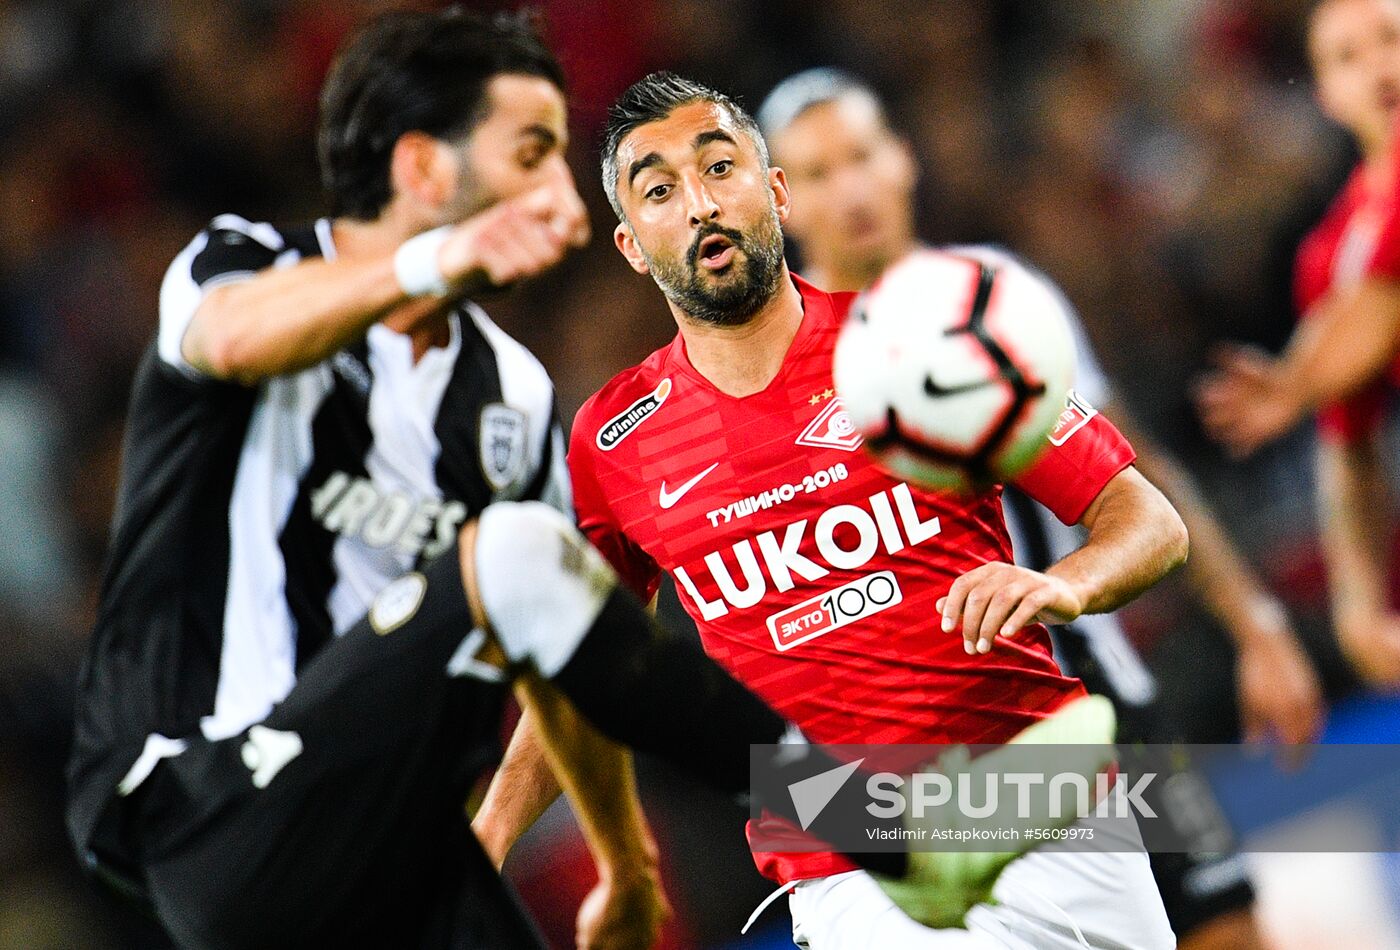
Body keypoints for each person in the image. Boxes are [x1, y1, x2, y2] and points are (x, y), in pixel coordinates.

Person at [64, 13, 971, 949]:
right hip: (198, 802)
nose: (562, 195)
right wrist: (434, 262)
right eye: (532, 154)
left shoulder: (511, 394)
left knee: (529, 568)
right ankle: (880, 827)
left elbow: (562, 648)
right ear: (425, 170)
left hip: (382, 846)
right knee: (510, 552)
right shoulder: (244, 265)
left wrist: (627, 863)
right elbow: (227, 339)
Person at [478, 71, 1186, 948]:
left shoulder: (927, 341)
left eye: (720, 168)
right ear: (631, 244)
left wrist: (1068, 584)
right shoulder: (612, 443)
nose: (699, 204)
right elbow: (582, 677)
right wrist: (488, 838)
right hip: (855, 868)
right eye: (660, 190)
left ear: (775, 193)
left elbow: (1148, 520)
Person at [756, 67, 1327, 950]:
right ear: (784, 202)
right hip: (921, 757)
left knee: (1228, 931)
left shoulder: (996, 296)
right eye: (819, 172)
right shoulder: (773, 375)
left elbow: (1134, 471)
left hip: (1091, 693)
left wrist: (1254, 625)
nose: (852, 190)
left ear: (903, 160)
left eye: (862, 156)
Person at [1197, 0, 1400, 687]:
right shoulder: (1329, 255)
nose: (1378, 64)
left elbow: (1379, 304)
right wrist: (1359, 605)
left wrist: (1299, 381)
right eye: (1347, 56)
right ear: (1326, 96)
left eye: (1391, 38)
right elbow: (1350, 443)